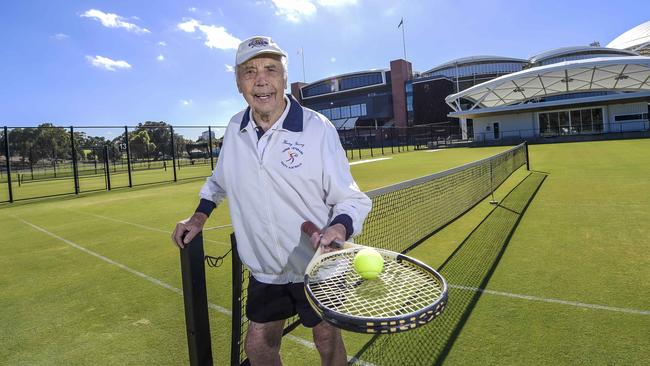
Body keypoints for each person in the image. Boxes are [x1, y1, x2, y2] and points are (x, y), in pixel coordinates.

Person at [172, 36, 371, 366]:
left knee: (327, 339)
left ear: (284, 79)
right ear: (239, 83)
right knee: (259, 346)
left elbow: (351, 198)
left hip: (318, 266)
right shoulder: (236, 128)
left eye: (270, 69)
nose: (261, 80)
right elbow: (218, 181)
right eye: (250, 71)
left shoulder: (317, 129)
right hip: (266, 269)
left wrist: (339, 226)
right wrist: (198, 217)